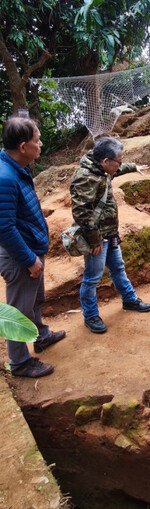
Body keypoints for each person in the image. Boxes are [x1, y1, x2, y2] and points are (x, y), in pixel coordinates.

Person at [0, 117, 66, 378]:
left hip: (29, 249)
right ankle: (19, 363)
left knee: (35, 300)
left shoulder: (17, 167)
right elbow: (4, 228)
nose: (41, 144)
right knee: (18, 312)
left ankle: (41, 335)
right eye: (37, 140)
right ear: (23, 145)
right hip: (20, 256)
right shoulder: (5, 178)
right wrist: (29, 260)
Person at [70, 137, 150, 334]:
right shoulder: (86, 178)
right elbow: (81, 213)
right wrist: (95, 240)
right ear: (106, 161)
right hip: (97, 238)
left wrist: (133, 167)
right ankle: (90, 316)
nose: (120, 165)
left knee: (117, 268)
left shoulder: (102, 169)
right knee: (92, 277)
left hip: (109, 232)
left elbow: (117, 169)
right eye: (119, 161)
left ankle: (129, 300)